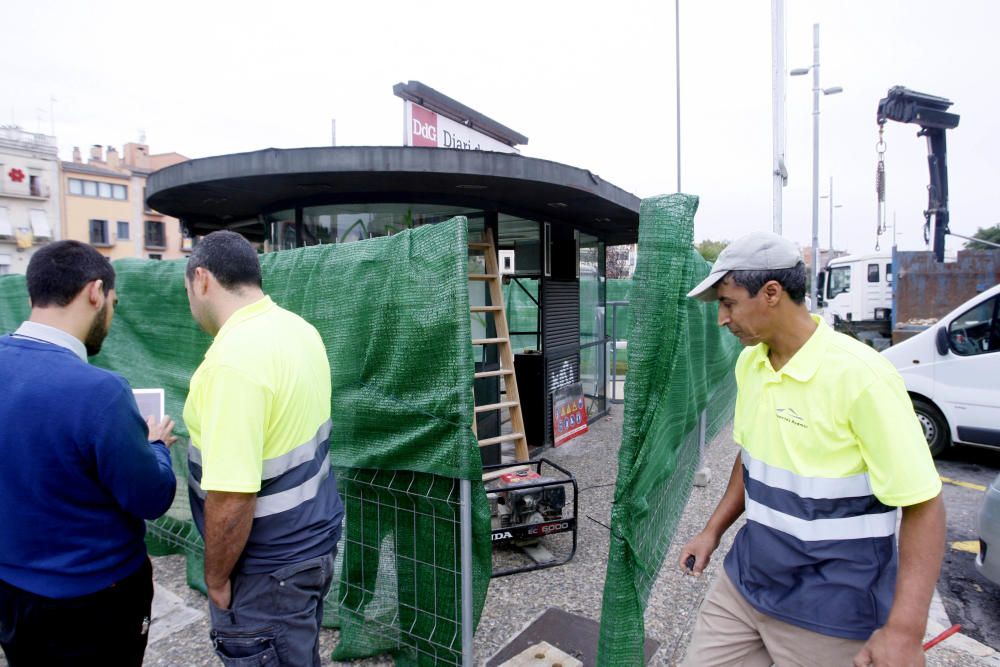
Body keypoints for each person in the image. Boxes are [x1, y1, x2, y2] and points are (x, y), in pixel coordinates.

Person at [678, 232, 944, 667]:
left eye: (728, 303)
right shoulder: (751, 363)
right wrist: (712, 531)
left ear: (770, 294)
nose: (722, 320)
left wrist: (905, 630)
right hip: (745, 587)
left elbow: (924, 504)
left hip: (832, 612)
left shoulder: (862, 378)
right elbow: (752, 459)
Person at [0, 240, 177, 665]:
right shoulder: (100, 392)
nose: (110, 316)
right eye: (113, 303)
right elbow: (150, 498)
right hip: (94, 598)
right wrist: (157, 448)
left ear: (32, 296)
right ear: (96, 292)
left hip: (11, 591)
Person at [183, 231, 344, 666]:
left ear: (201, 280)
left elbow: (233, 498)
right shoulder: (299, 330)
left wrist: (215, 578)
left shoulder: (231, 362)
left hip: (266, 570)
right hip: (313, 543)